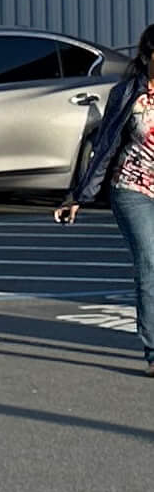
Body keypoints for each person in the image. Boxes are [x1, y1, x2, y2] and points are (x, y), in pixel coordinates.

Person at [58, 20, 154, 373]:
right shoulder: (128, 94)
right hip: (133, 188)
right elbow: (105, 146)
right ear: (147, 58)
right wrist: (78, 196)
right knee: (150, 262)